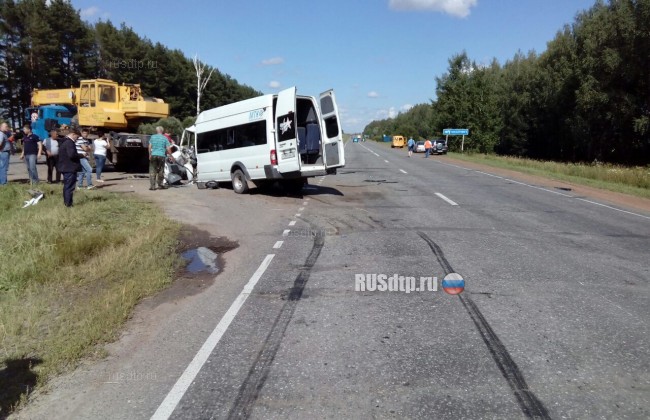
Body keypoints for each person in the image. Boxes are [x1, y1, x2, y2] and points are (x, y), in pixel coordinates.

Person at [57, 129, 82, 207]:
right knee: (69, 187)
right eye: (77, 137)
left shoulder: (63, 141)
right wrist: (81, 155)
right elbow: (71, 155)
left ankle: (67, 203)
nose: (77, 139)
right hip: (70, 167)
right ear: (73, 134)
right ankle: (68, 204)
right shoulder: (69, 143)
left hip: (65, 167)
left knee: (67, 186)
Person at [148, 126, 172, 190]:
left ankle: (152, 186)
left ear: (157, 131)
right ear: (162, 131)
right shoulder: (165, 138)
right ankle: (160, 185)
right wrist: (171, 156)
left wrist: (150, 154)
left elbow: (150, 146)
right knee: (161, 171)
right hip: (161, 156)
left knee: (152, 170)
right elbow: (168, 148)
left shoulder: (152, 137)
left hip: (154, 155)